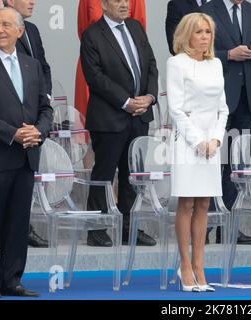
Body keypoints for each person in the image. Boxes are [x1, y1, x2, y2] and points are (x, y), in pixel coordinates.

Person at [0, 7, 52, 298]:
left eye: (6, 25)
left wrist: (39, 131)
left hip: (26, 156)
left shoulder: (31, 66)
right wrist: (12, 133)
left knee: (17, 221)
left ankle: (12, 279)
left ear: (20, 31)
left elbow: (45, 108)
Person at [80, 0, 158, 247]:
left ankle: (128, 228)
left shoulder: (135, 27)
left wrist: (150, 96)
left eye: (126, 0)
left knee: (131, 175)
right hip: (109, 117)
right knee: (103, 175)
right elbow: (95, 77)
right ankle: (97, 229)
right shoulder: (92, 35)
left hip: (139, 116)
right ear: (103, 5)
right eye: (117, 0)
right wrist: (126, 101)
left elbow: (151, 66)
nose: (124, 4)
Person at [167, 12, 228, 292]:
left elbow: (223, 108)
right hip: (187, 141)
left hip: (212, 143)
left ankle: (200, 264)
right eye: (199, 32)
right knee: (187, 203)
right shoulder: (176, 63)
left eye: (208, 32)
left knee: (204, 203)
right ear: (187, 34)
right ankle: (185, 265)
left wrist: (215, 139)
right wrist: (197, 141)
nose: (204, 37)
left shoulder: (216, 64)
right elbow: (176, 108)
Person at [202, 0, 251, 245]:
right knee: (211, 160)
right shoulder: (208, 10)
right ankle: (205, 224)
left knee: (236, 163)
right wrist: (229, 54)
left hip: (246, 98)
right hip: (217, 97)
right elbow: (197, 53)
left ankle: (228, 225)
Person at [2, 0, 52, 248]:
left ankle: (25, 230)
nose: (33, 1)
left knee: (24, 191)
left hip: (34, 122)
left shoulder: (32, 30)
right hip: (8, 128)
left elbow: (42, 67)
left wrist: (46, 99)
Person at [74, 0, 146, 117]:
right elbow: (83, 29)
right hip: (95, 65)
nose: (123, 4)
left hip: (127, 69)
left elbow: (139, 32)